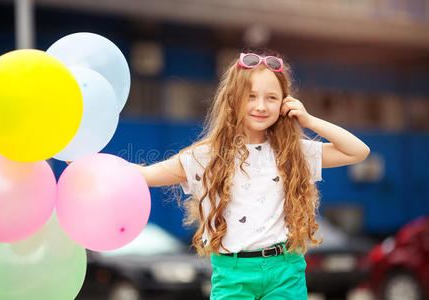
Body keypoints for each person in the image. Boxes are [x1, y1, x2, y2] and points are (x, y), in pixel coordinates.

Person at [132, 50, 370, 299]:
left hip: (284, 272)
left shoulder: (294, 152)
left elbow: (358, 152)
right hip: (232, 275)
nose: (260, 106)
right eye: (251, 96)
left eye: (271, 98)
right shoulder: (205, 157)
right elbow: (145, 176)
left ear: (283, 104)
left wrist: (309, 121)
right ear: (234, 99)